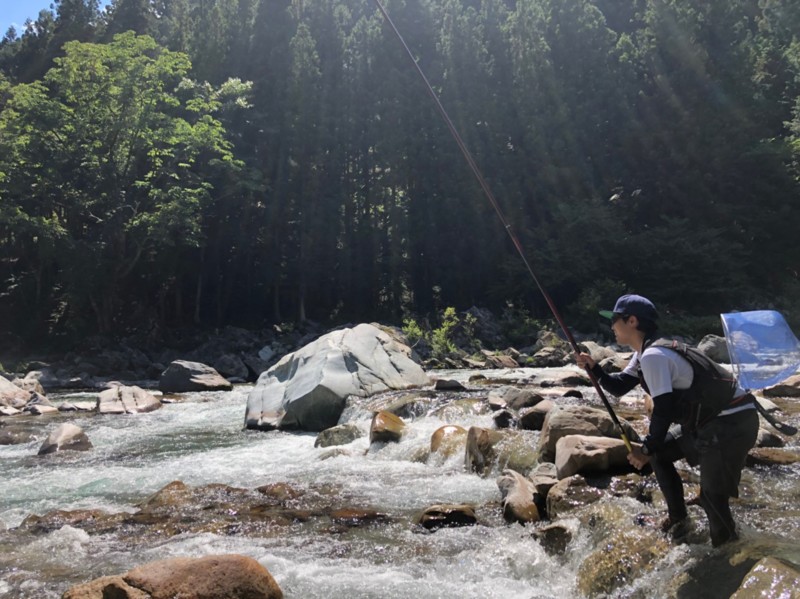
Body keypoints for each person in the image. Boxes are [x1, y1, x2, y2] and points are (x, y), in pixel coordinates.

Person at [575, 294, 759, 546]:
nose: (611, 326)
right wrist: (595, 369)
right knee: (660, 456)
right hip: (712, 421)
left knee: (713, 499)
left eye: (615, 320)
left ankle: (724, 558)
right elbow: (619, 387)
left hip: (731, 424)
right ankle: (678, 519)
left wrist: (646, 447)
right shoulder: (645, 353)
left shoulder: (653, 356)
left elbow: (663, 409)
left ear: (632, 321)